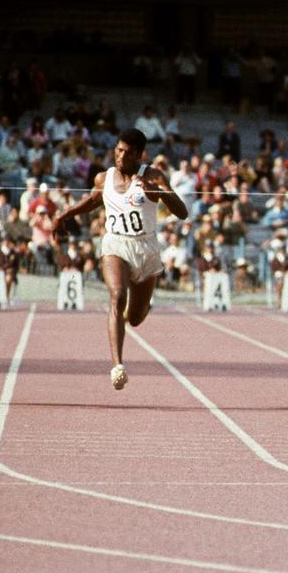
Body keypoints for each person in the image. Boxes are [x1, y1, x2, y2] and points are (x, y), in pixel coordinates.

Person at [52, 129, 188, 390]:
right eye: (117, 150)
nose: (119, 156)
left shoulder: (154, 175)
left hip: (146, 248)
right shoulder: (105, 178)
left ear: (139, 155)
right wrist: (63, 215)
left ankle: (143, 305)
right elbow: (92, 201)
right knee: (117, 295)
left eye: (126, 152)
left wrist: (158, 192)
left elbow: (181, 212)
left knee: (135, 318)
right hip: (116, 244)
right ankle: (118, 366)